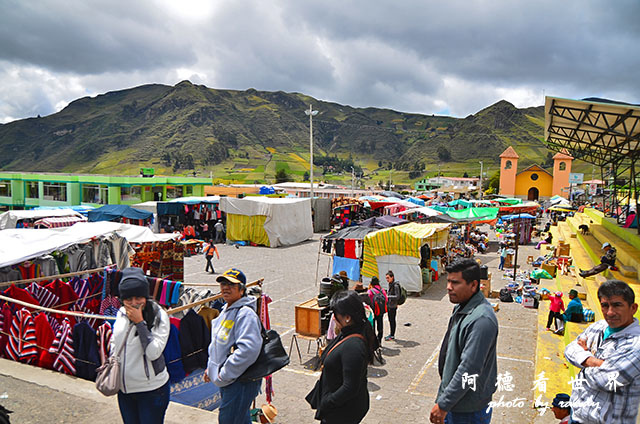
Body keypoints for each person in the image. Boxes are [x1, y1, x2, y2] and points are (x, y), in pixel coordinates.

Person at [430, 258, 498, 424]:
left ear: (473, 285)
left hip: (467, 411)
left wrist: (444, 404)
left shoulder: (481, 319)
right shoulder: (462, 307)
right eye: (448, 281)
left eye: (455, 283)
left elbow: (470, 368)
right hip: (457, 402)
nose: (448, 288)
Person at [564, 280, 640, 423]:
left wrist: (582, 359)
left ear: (633, 308)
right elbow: (569, 349)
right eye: (605, 306)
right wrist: (592, 360)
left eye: (617, 305)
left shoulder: (636, 344)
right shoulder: (600, 325)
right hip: (578, 414)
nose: (610, 312)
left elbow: (604, 379)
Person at [306, 290, 377, 423]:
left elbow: (350, 387)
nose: (333, 318)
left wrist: (327, 402)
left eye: (335, 314)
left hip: (342, 413)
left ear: (347, 318)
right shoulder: (348, 332)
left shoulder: (354, 347)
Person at [112, 267, 170, 424]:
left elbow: (153, 353)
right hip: (125, 390)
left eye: (138, 297)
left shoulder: (159, 316)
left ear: (146, 296)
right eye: (128, 299)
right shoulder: (121, 312)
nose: (133, 303)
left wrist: (140, 323)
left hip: (151, 391)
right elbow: (115, 340)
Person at [205, 268, 262, 424]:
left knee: (229, 420)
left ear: (242, 290)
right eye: (223, 284)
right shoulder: (226, 309)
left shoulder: (245, 314)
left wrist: (224, 373)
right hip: (231, 379)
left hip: (240, 380)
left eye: (231, 285)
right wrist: (211, 368)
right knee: (240, 419)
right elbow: (219, 344)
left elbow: (248, 350)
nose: (225, 288)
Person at [367, 277, 387, 345]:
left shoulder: (370, 291)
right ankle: (379, 340)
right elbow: (386, 300)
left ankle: (374, 341)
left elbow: (367, 300)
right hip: (381, 310)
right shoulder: (382, 290)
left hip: (373, 311)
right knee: (380, 324)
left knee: (373, 326)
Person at [385, 271, 401, 341]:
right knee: (390, 320)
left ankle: (392, 335)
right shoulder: (390, 284)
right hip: (389, 305)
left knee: (392, 320)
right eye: (386, 278)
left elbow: (397, 296)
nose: (387, 280)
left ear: (392, 277)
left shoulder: (395, 285)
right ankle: (391, 334)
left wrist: (388, 297)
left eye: (388, 278)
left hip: (393, 306)